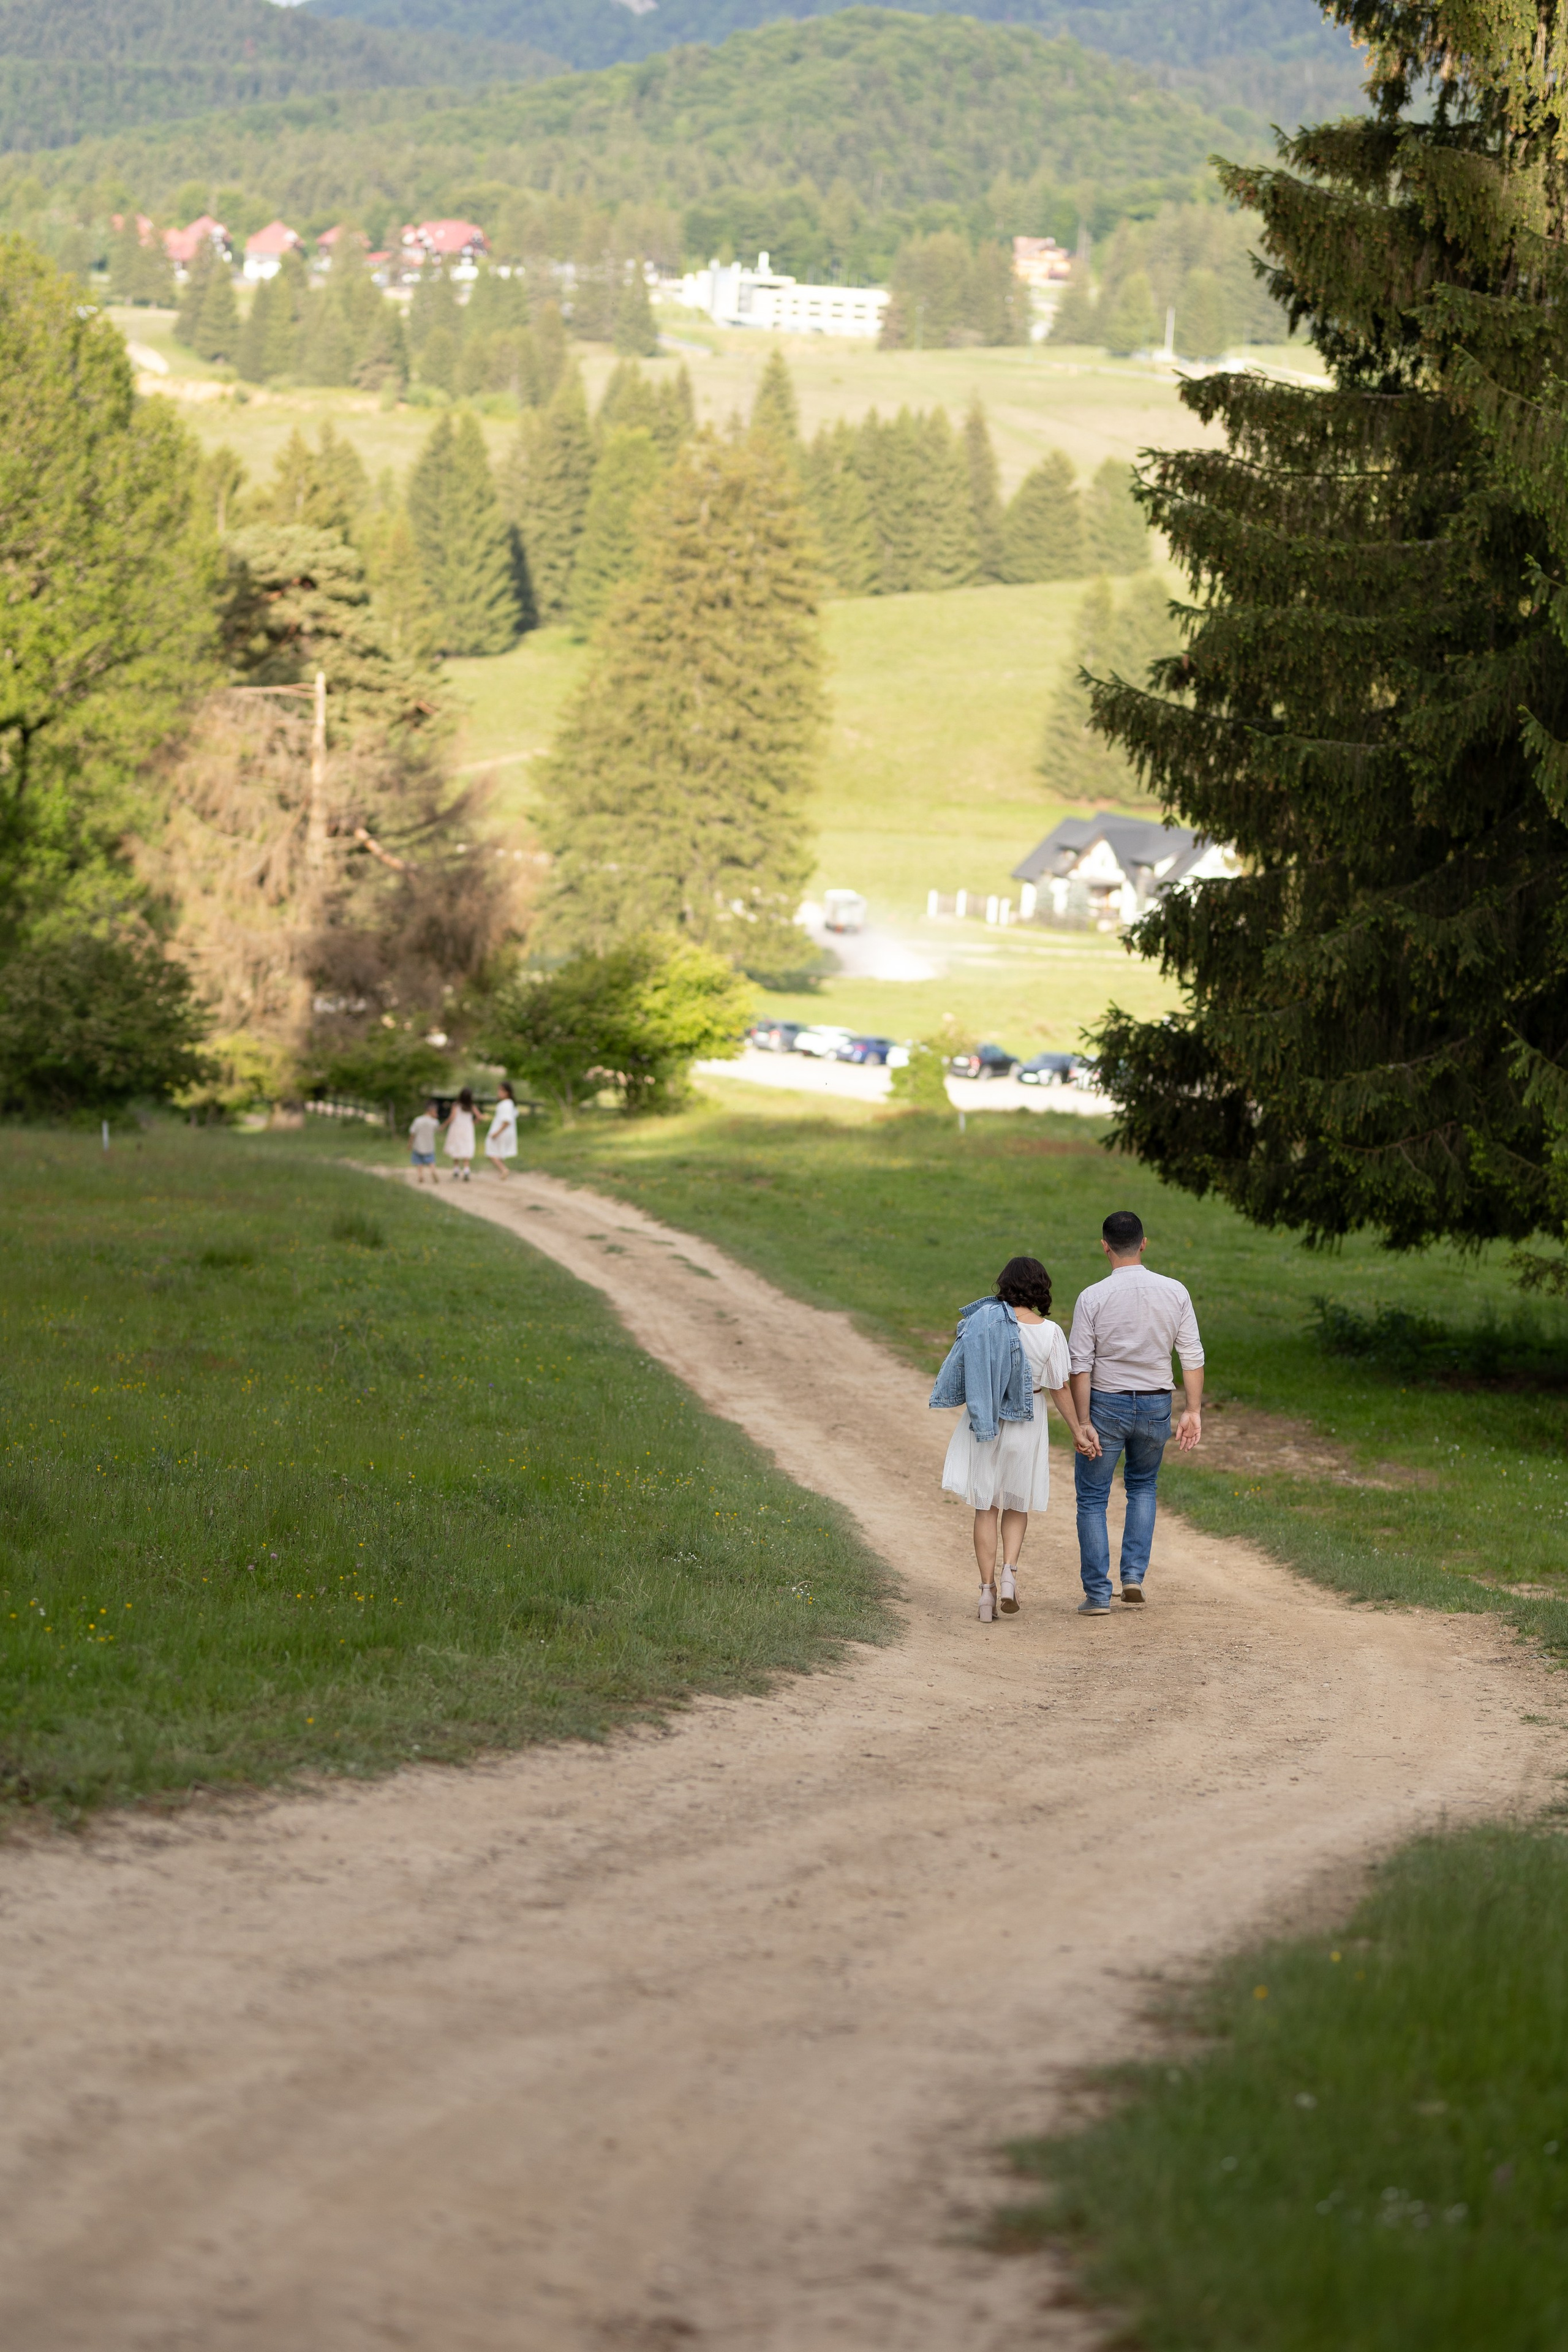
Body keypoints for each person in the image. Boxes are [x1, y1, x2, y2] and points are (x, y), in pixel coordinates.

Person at [930, 1256, 1099, 1623]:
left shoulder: (982, 1324)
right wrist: (1077, 1430)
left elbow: (961, 1367)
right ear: (1040, 1288)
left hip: (986, 1419)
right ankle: (1010, 1574)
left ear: (1004, 1285)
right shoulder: (1051, 1333)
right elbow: (1059, 1386)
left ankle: (986, 1594)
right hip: (1028, 1420)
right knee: (1016, 1502)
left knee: (986, 1506)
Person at [1067, 1210, 1204, 1615]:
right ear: (1144, 1244)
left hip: (1106, 1403)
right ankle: (1133, 1578)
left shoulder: (1092, 1297)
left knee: (1093, 1498)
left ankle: (1096, 1595)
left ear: (1104, 1246)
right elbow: (1191, 1355)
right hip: (1156, 1404)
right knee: (1143, 1488)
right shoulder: (1175, 1292)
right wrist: (1192, 1410)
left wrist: (1082, 1421)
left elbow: (1080, 1365)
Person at [441, 1087, 477, 1182]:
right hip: (467, 1129)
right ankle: (466, 1170)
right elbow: (480, 1117)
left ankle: (456, 1170)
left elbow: (452, 1117)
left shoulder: (456, 1105)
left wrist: (444, 1126)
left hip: (457, 1128)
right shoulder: (471, 1106)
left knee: (456, 1148)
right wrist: (472, 1123)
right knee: (466, 1148)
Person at [484, 1082, 518, 1179]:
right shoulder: (510, 1104)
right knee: (499, 1152)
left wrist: (497, 1133)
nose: (498, 1093)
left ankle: (503, 1169)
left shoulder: (506, 1104)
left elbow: (507, 1121)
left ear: (507, 1092)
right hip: (506, 1132)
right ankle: (502, 1171)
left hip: (502, 1132)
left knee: (491, 1151)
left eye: (500, 1090)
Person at [407, 1098, 439, 1185]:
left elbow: (413, 1133)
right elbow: (438, 1130)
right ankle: (433, 1171)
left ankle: (421, 1176)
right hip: (429, 1146)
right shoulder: (435, 1122)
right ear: (432, 1111)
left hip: (418, 1145)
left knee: (419, 1162)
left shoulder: (418, 1120)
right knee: (431, 1161)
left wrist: (410, 1144)